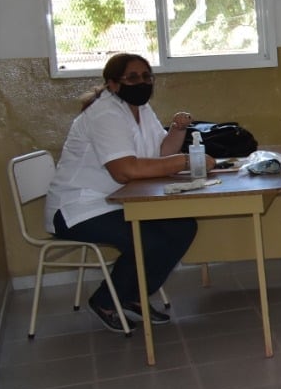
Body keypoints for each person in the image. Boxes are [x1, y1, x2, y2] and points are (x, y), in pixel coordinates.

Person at [45, 53, 212, 333]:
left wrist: (177, 130)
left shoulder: (141, 109)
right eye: (133, 77)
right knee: (147, 239)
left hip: (118, 202)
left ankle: (132, 296)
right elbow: (124, 171)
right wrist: (186, 162)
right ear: (112, 84)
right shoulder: (105, 114)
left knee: (182, 227)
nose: (142, 82)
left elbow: (160, 153)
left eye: (147, 76)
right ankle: (105, 301)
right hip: (79, 208)